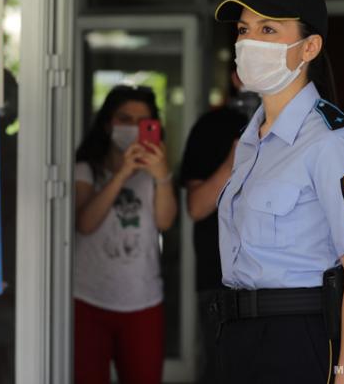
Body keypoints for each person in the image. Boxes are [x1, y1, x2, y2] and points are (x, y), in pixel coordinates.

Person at [212, 0, 344, 384]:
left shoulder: (333, 141)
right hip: (238, 333)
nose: (249, 42)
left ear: (310, 47)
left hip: (296, 335)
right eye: (243, 30)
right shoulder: (251, 139)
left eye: (268, 30)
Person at [73, 84, 178, 384]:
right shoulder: (86, 170)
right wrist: (121, 174)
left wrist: (163, 177)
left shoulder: (156, 173)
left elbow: (166, 222)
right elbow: (85, 224)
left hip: (143, 300)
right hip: (89, 299)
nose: (132, 127)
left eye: (142, 121)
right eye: (125, 119)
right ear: (108, 124)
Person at [180, 67, 250, 384]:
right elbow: (196, 207)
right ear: (236, 77)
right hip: (220, 280)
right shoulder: (210, 127)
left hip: (285, 284)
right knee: (223, 370)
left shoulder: (304, 127)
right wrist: (235, 160)